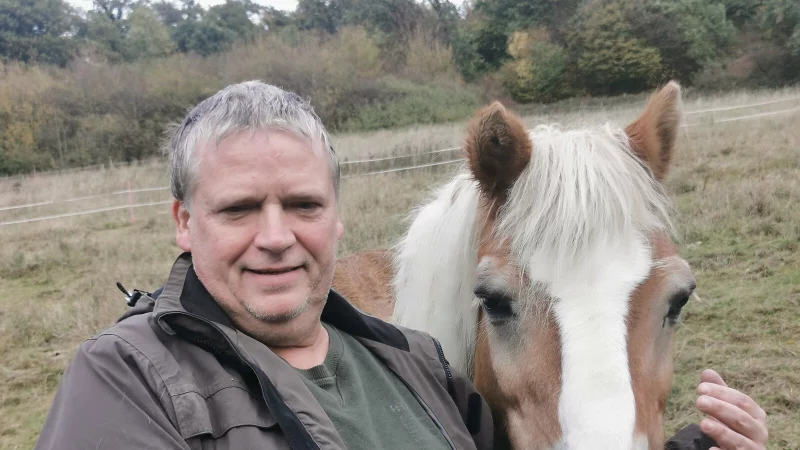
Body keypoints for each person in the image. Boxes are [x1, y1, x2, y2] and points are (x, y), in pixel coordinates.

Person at [35, 81, 768, 450]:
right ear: (184, 224)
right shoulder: (125, 380)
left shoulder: (412, 359)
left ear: (337, 217)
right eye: (237, 210)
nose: (276, 236)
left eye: (302, 204)